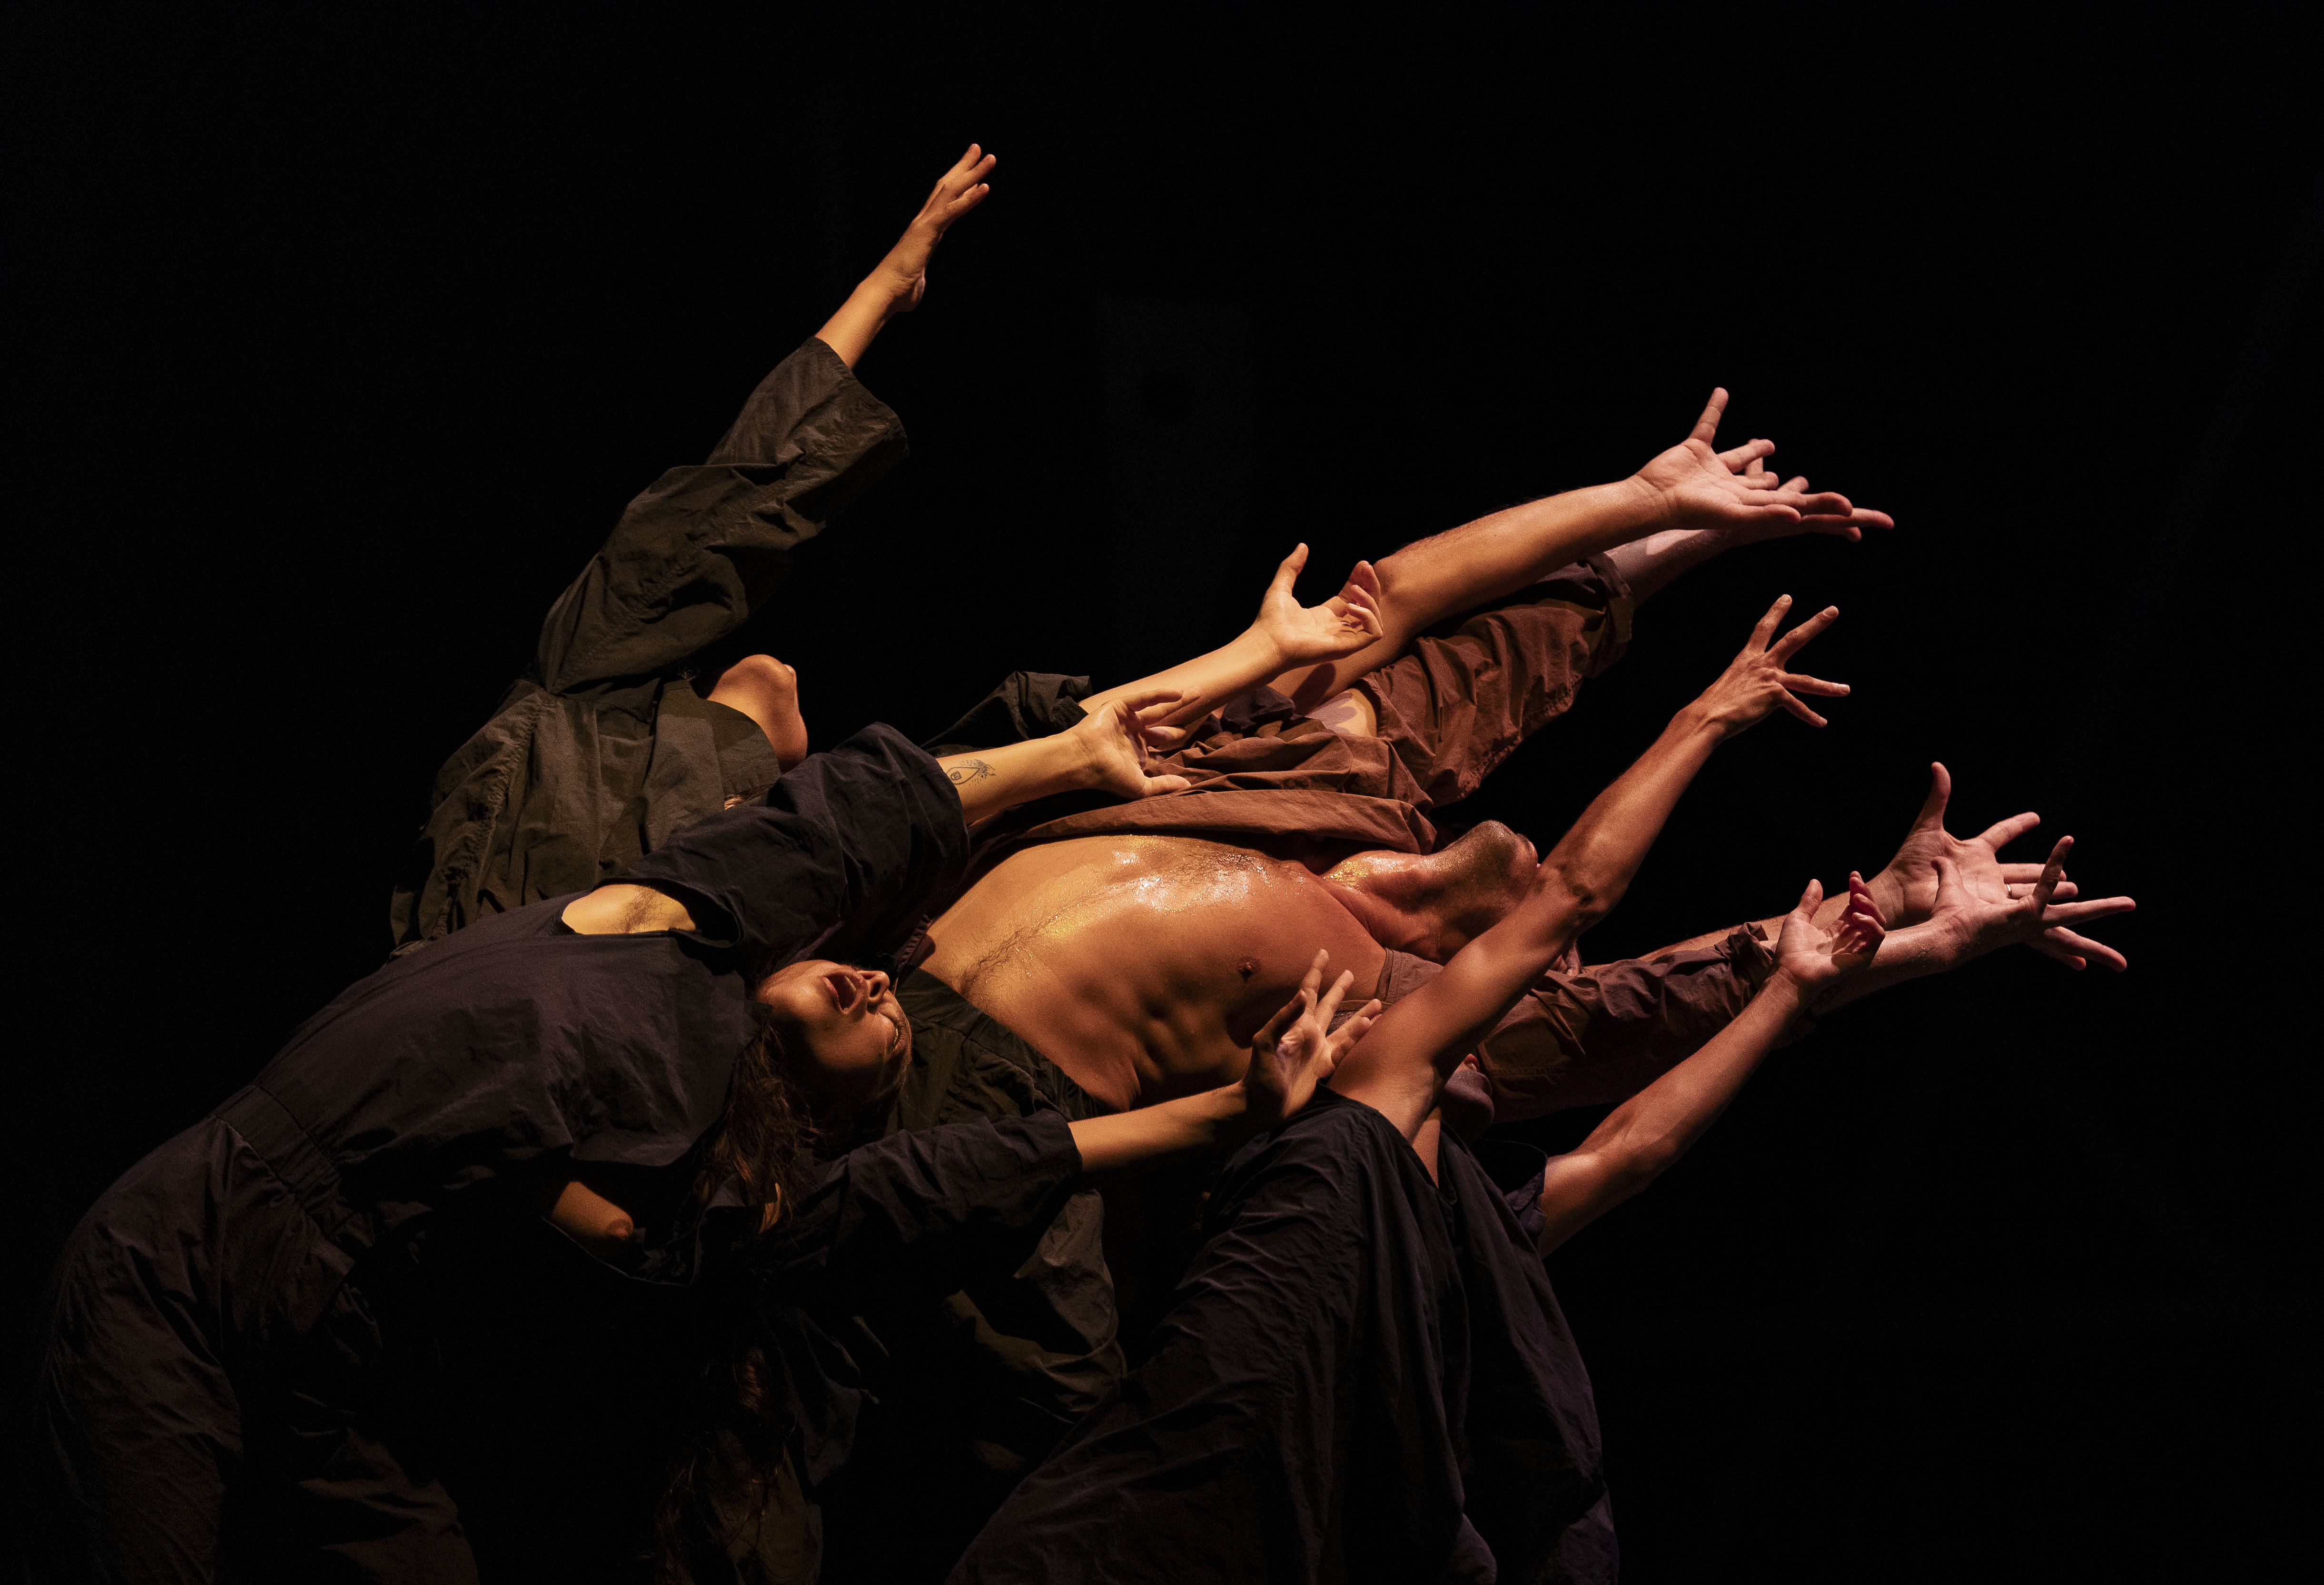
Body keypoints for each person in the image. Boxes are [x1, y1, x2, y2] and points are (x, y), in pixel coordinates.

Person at [952, 598, 2105, 1584]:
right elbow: (1590, 987)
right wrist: (1706, 713)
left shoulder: (1368, 1167)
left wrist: (1817, 965)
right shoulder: (1345, 1156)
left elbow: (1616, 1099)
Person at [30, 700, 1198, 1585]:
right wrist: (1088, 749)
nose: (876, 990)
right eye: (872, 975)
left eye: (893, 1021)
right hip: (186, 1263)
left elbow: (940, 1183)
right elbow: (850, 819)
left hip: (344, 1370)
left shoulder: (717, 1202)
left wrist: (1226, 1114)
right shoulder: (660, 943)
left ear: (836, 1112)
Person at [386, 144, 1001, 957]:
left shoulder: (580, 722)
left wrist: (881, 289)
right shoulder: (684, 856)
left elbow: (717, 516)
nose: (772, 673)